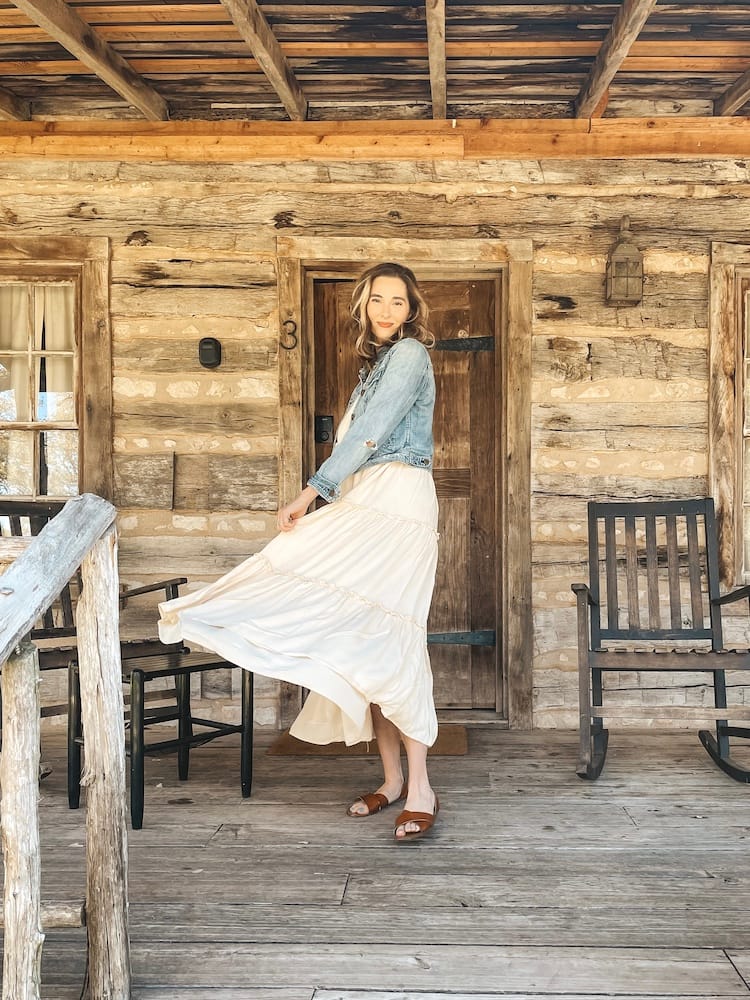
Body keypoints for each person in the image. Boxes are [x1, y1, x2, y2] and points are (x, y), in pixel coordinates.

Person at [158, 261, 440, 842]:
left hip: (399, 503)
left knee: (393, 637)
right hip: (369, 500)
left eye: (398, 302)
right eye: (377, 300)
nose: (388, 311)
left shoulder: (410, 356)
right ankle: (389, 782)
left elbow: (371, 435)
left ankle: (421, 789)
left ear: (411, 312)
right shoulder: (375, 367)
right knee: (364, 639)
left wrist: (311, 494)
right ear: (364, 307)